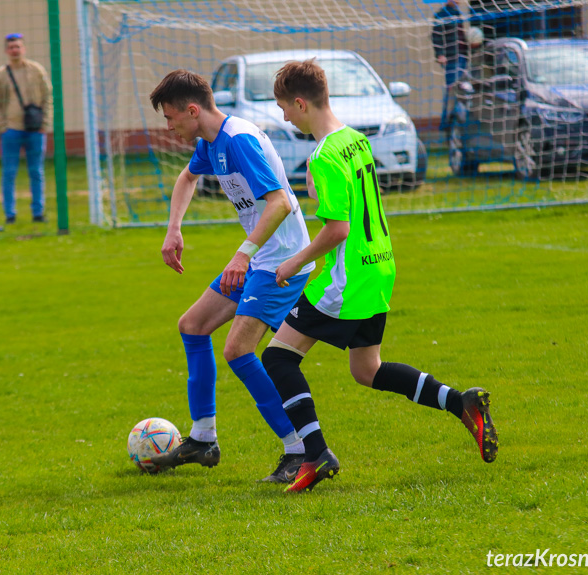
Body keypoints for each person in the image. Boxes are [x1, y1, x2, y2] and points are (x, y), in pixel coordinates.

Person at [262, 59, 499, 493]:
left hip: (347, 278)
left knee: (278, 357)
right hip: (380, 266)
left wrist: (294, 263)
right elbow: (354, 199)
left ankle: (315, 454)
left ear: (300, 103)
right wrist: (319, 189)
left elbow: (338, 229)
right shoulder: (353, 140)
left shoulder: (325, 154)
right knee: (366, 369)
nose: (283, 117)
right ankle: (460, 402)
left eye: (284, 108)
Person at [147, 70, 316, 482]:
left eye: (171, 118)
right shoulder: (211, 140)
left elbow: (278, 203)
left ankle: (299, 449)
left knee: (238, 350)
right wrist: (174, 228)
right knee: (193, 325)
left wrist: (242, 255)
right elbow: (187, 178)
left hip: (282, 263)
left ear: (192, 110)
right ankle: (204, 439)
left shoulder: (238, 140)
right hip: (259, 260)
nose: (169, 127)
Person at [0, 33, 53, 224]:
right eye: (11, 47)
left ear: (23, 49)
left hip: (35, 129)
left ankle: (38, 212)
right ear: (6, 51)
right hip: (12, 129)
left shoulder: (36, 70)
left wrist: (44, 124)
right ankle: (10, 214)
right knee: (9, 172)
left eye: (18, 47)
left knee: (36, 172)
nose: (15, 50)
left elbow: (48, 97)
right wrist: (2, 127)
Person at [432, 0, 469, 131]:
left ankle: (462, 121)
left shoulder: (458, 13)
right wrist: (440, 54)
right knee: (452, 90)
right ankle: (446, 123)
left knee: (464, 89)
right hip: (452, 58)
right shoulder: (441, 15)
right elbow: (436, 36)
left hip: (463, 56)